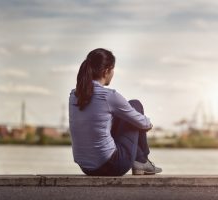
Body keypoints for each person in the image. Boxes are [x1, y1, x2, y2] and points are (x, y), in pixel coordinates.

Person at [68, 48, 162, 176]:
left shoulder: (74, 95)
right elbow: (144, 124)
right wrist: (149, 124)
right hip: (112, 165)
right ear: (106, 71)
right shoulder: (109, 96)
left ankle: (141, 161)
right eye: (112, 70)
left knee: (116, 116)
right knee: (135, 104)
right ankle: (142, 160)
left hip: (86, 167)